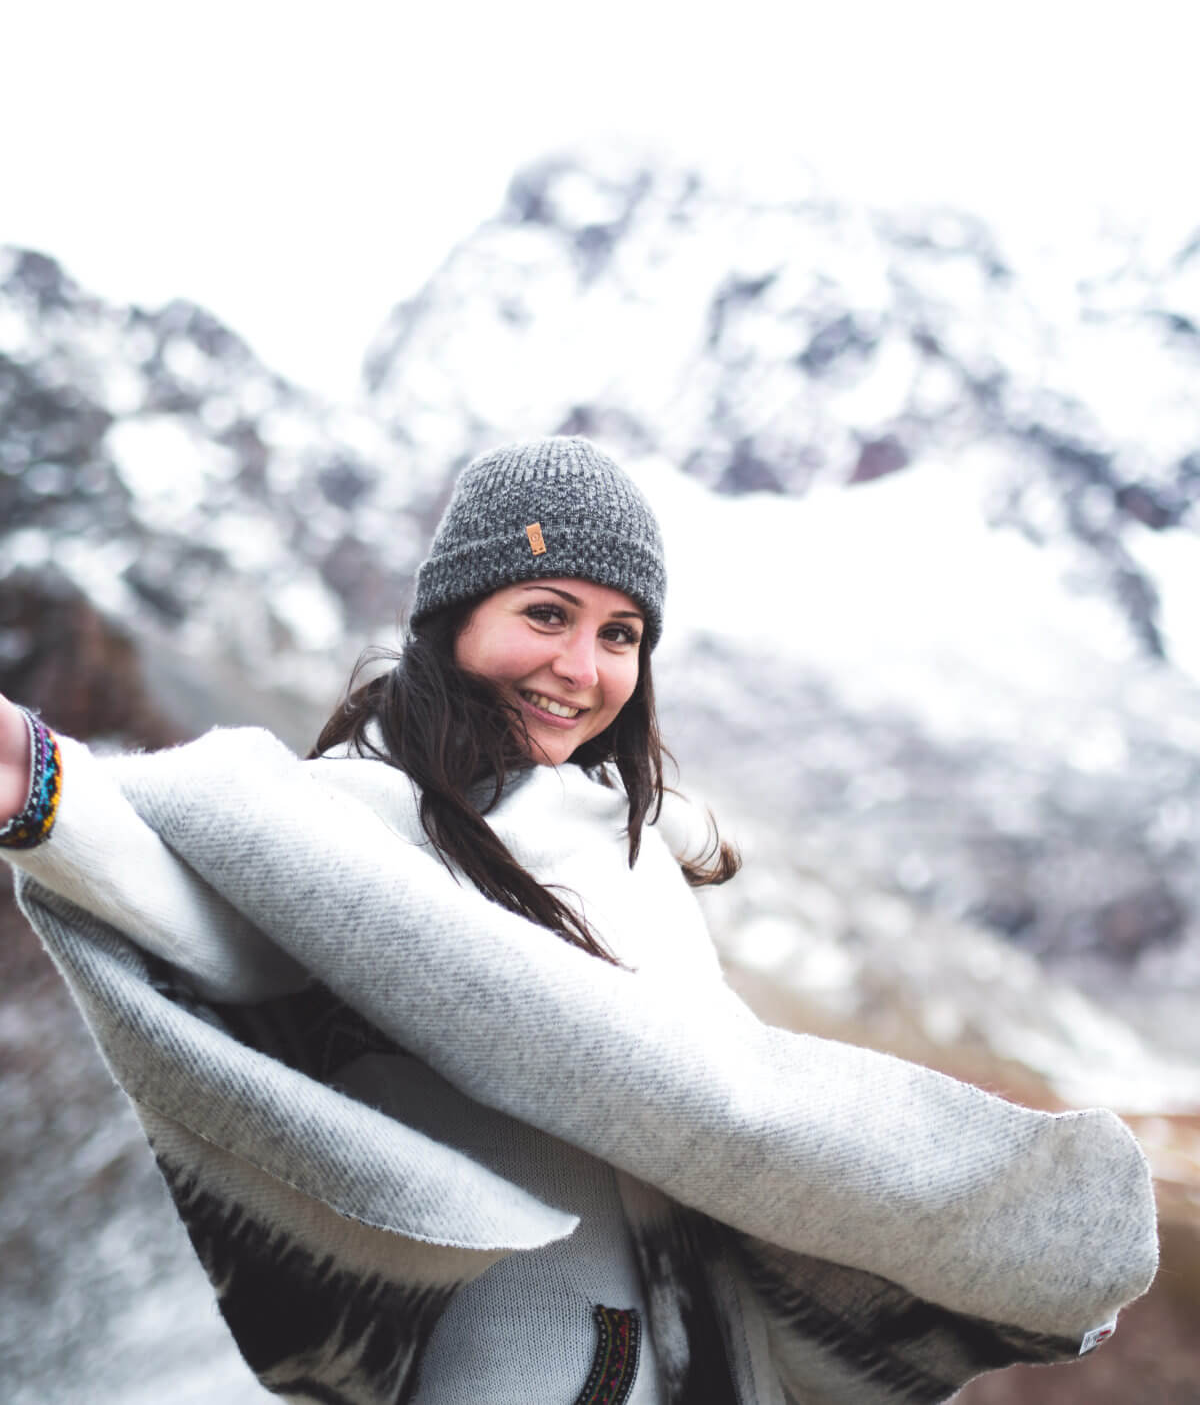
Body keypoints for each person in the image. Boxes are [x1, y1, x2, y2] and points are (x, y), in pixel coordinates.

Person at [0, 437, 1159, 1405]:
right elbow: (212, 919)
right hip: (524, 1359)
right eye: (546, 613)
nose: (580, 668)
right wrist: (48, 796)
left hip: (692, 1343)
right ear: (455, 616)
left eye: (619, 635)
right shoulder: (357, 821)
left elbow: (699, 1084)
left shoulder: (622, 838)